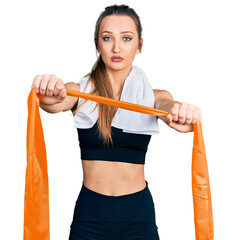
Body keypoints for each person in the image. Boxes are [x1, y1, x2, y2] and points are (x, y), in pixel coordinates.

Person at [31, 4, 202, 240]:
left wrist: (181, 111)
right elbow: (54, 101)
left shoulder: (154, 97)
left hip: (138, 215)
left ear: (140, 45)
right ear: (97, 45)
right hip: (90, 215)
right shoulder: (80, 92)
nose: (117, 47)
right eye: (107, 38)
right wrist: (46, 92)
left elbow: (167, 108)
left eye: (127, 38)